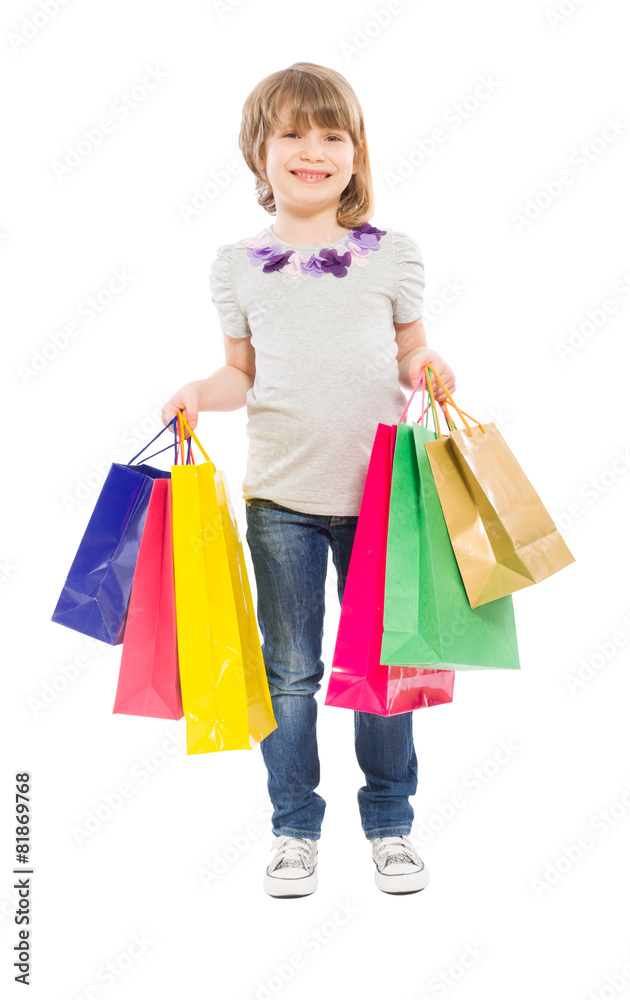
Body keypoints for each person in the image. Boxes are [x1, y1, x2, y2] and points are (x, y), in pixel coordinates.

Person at [161, 61, 457, 898]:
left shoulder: (392, 255)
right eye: (292, 133)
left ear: (357, 154)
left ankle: (390, 824)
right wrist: (196, 396)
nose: (314, 150)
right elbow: (238, 377)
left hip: (380, 497)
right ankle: (295, 828)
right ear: (260, 153)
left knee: (382, 663)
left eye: (333, 134)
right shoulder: (238, 265)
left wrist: (431, 363)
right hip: (282, 500)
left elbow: (409, 352)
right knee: (290, 668)